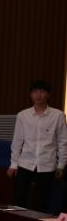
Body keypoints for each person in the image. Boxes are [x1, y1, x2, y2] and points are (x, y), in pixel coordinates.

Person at [8, 79, 67, 212]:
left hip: (47, 163)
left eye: (42, 91)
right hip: (25, 162)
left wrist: (61, 165)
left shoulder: (58, 115)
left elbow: (63, 142)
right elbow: (17, 141)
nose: (38, 95)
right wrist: (13, 164)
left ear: (48, 94)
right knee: (19, 198)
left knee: (41, 201)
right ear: (31, 94)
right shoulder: (23, 115)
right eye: (35, 92)